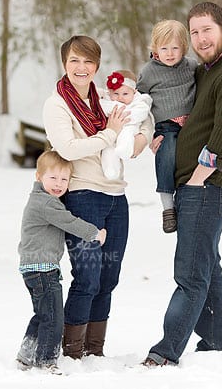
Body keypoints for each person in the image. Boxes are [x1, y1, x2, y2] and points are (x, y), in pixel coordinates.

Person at [142, 2, 222, 367]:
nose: (200, 38)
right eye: (194, 32)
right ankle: (213, 341)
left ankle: (165, 352)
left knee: (191, 272)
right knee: (207, 264)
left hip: (208, 186)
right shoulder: (209, 69)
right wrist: (162, 133)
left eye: (206, 29)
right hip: (198, 185)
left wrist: (195, 180)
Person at [42, 35, 152, 359]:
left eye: (88, 61)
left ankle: (95, 351)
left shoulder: (102, 98)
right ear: (65, 64)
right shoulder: (57, 104)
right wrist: (110, 134)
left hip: (116, 197)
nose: (81, 67)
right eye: (74, 60)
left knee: (108, 277)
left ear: (96, 66)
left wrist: (142, 137)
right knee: (87, 277)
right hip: (83, 196)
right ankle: (73, 351)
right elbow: (68, 148)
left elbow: (140, 112)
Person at [15, 150, 107, 374]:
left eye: (64, 179)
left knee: (43, 314)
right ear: (39, 177)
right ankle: (46, 361)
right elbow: (69, 222)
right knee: (54, 318)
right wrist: (95, 233)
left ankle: (26, 355)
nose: (58, 184)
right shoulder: (47, 204)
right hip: (42, 269)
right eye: (53, 178)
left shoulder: (41, 199)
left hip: (34, 268)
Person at [137, 19, 198, 233]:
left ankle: (189, 199)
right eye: (164, 48)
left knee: (191, 160)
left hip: (192, 124)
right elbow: (139, 102)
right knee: (167, 153)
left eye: (175, 48)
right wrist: (144, 133)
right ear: (155, 49)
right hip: (167, 126)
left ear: (184, 48)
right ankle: (168, 207)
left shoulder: (191, 66)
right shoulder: (148, 72)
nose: (170, 53)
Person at [99, 70, 154, 180]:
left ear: (134, 92)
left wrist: (120, 116)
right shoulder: (106, 100)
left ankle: (125, 150)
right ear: (110, 92)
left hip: (129, 127)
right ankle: (111, 169)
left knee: (126, 134)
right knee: (108, 148)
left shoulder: (139, 101)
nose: (120, 98)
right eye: (116, 94)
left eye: (125, 94)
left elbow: (141, 113)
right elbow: (102, 108)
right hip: (111, 131)